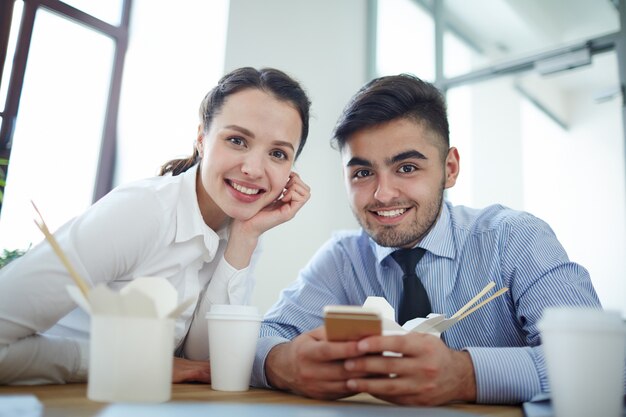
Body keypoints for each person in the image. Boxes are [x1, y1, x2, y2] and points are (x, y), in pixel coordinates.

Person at [250, 73, 601, 405]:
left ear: (449, 169)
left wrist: (468, 375)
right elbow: (259, 337)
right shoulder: (343, 259)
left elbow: (600, 362)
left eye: (407, 168)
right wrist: (281, 362)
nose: (383, 194)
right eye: (363, 173)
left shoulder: (514, 240)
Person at [0, 66, 312, 385]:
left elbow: (205, 361)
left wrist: (245, 238)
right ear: (202, 139)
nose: (253, 169)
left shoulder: (243, 228)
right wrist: (124, 363)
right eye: (237, 140)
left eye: (277, 153)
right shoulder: (141, 212)